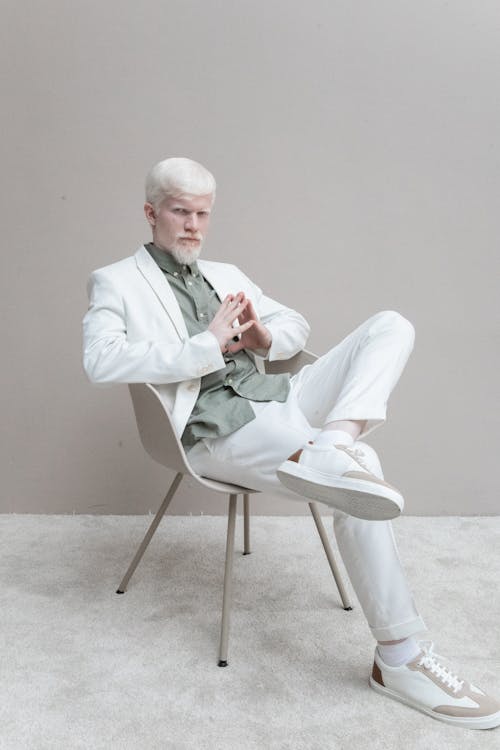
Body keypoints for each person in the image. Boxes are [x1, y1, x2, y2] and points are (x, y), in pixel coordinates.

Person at [82, 156, 500, 730]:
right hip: (215, 426)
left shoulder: (226, 271)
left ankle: (330, 442)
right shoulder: (117, 280)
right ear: (152, 212)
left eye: (203, 213)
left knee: (390, 325)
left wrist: (261, 334)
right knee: (364, 469)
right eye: (181, 211)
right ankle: (401, 656)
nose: (193, 226)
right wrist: (205, 345)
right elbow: (100, 360)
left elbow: (296, 327)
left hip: (279, 397)